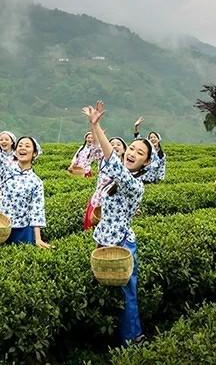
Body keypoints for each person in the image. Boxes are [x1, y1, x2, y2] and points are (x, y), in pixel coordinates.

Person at [84, 101, 148, 345]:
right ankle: (109, 338)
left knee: (126, 294)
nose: (132, 153)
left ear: (145, 164)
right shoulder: (117, 179)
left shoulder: (133, 183)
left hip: (121, 244)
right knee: (107, 293)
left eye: (139, 153)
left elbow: (111, 157)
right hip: (104, 240)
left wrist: (96, 126)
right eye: (131, 148)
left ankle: (133, 338)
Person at [0, 106, 50, 247]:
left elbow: (37, 210)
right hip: (1, 227)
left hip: (24, 230)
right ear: (15, 152)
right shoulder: (7, 169)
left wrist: (38, 239)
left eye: (27, 146)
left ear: (34, 153)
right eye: (20, 145)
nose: (22, 148)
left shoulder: (36, 182)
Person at [83, 136, 127, 230]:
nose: (115, 146)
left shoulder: (127, 167)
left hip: (115, 207)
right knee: (92, 231)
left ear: (124, 150)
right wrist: (95, 128)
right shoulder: (103, 161)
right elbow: (95, 148)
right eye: (111, 145)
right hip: (98, 203)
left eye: (118, 144)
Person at [133, 117, 166, 183]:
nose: (153, 139)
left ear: (158, 139)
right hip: (141, 179)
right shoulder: (146, 150)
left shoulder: (162, 155)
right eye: (151, 137)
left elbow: (162, 168)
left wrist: (159, 180)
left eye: (154, 137)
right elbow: (138, 140)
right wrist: (136, 127)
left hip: (152, 181)